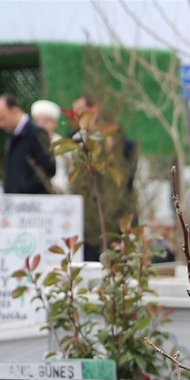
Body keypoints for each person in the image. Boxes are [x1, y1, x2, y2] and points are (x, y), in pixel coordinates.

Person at [69, 93, 138, 263]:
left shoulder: (114, 137)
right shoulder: (74, 140)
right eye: (75, 111)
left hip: (115, 212)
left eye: (81, 110)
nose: (78, 115)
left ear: (94, 110)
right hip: (88, 217)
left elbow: (126, 174)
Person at [0, 93, 55, 195]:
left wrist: (24, 187)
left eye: (2, 118)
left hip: (32, 200)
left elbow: (49, 169)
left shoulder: (37, 134)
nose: (0, 124)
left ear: (15, 111)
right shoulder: (12, 136)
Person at [30, 99, 70, 194]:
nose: (41, 125)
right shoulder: (29, 144)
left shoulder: (62, 144)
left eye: (46, 121)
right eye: (38, 121)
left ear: (55, 123)